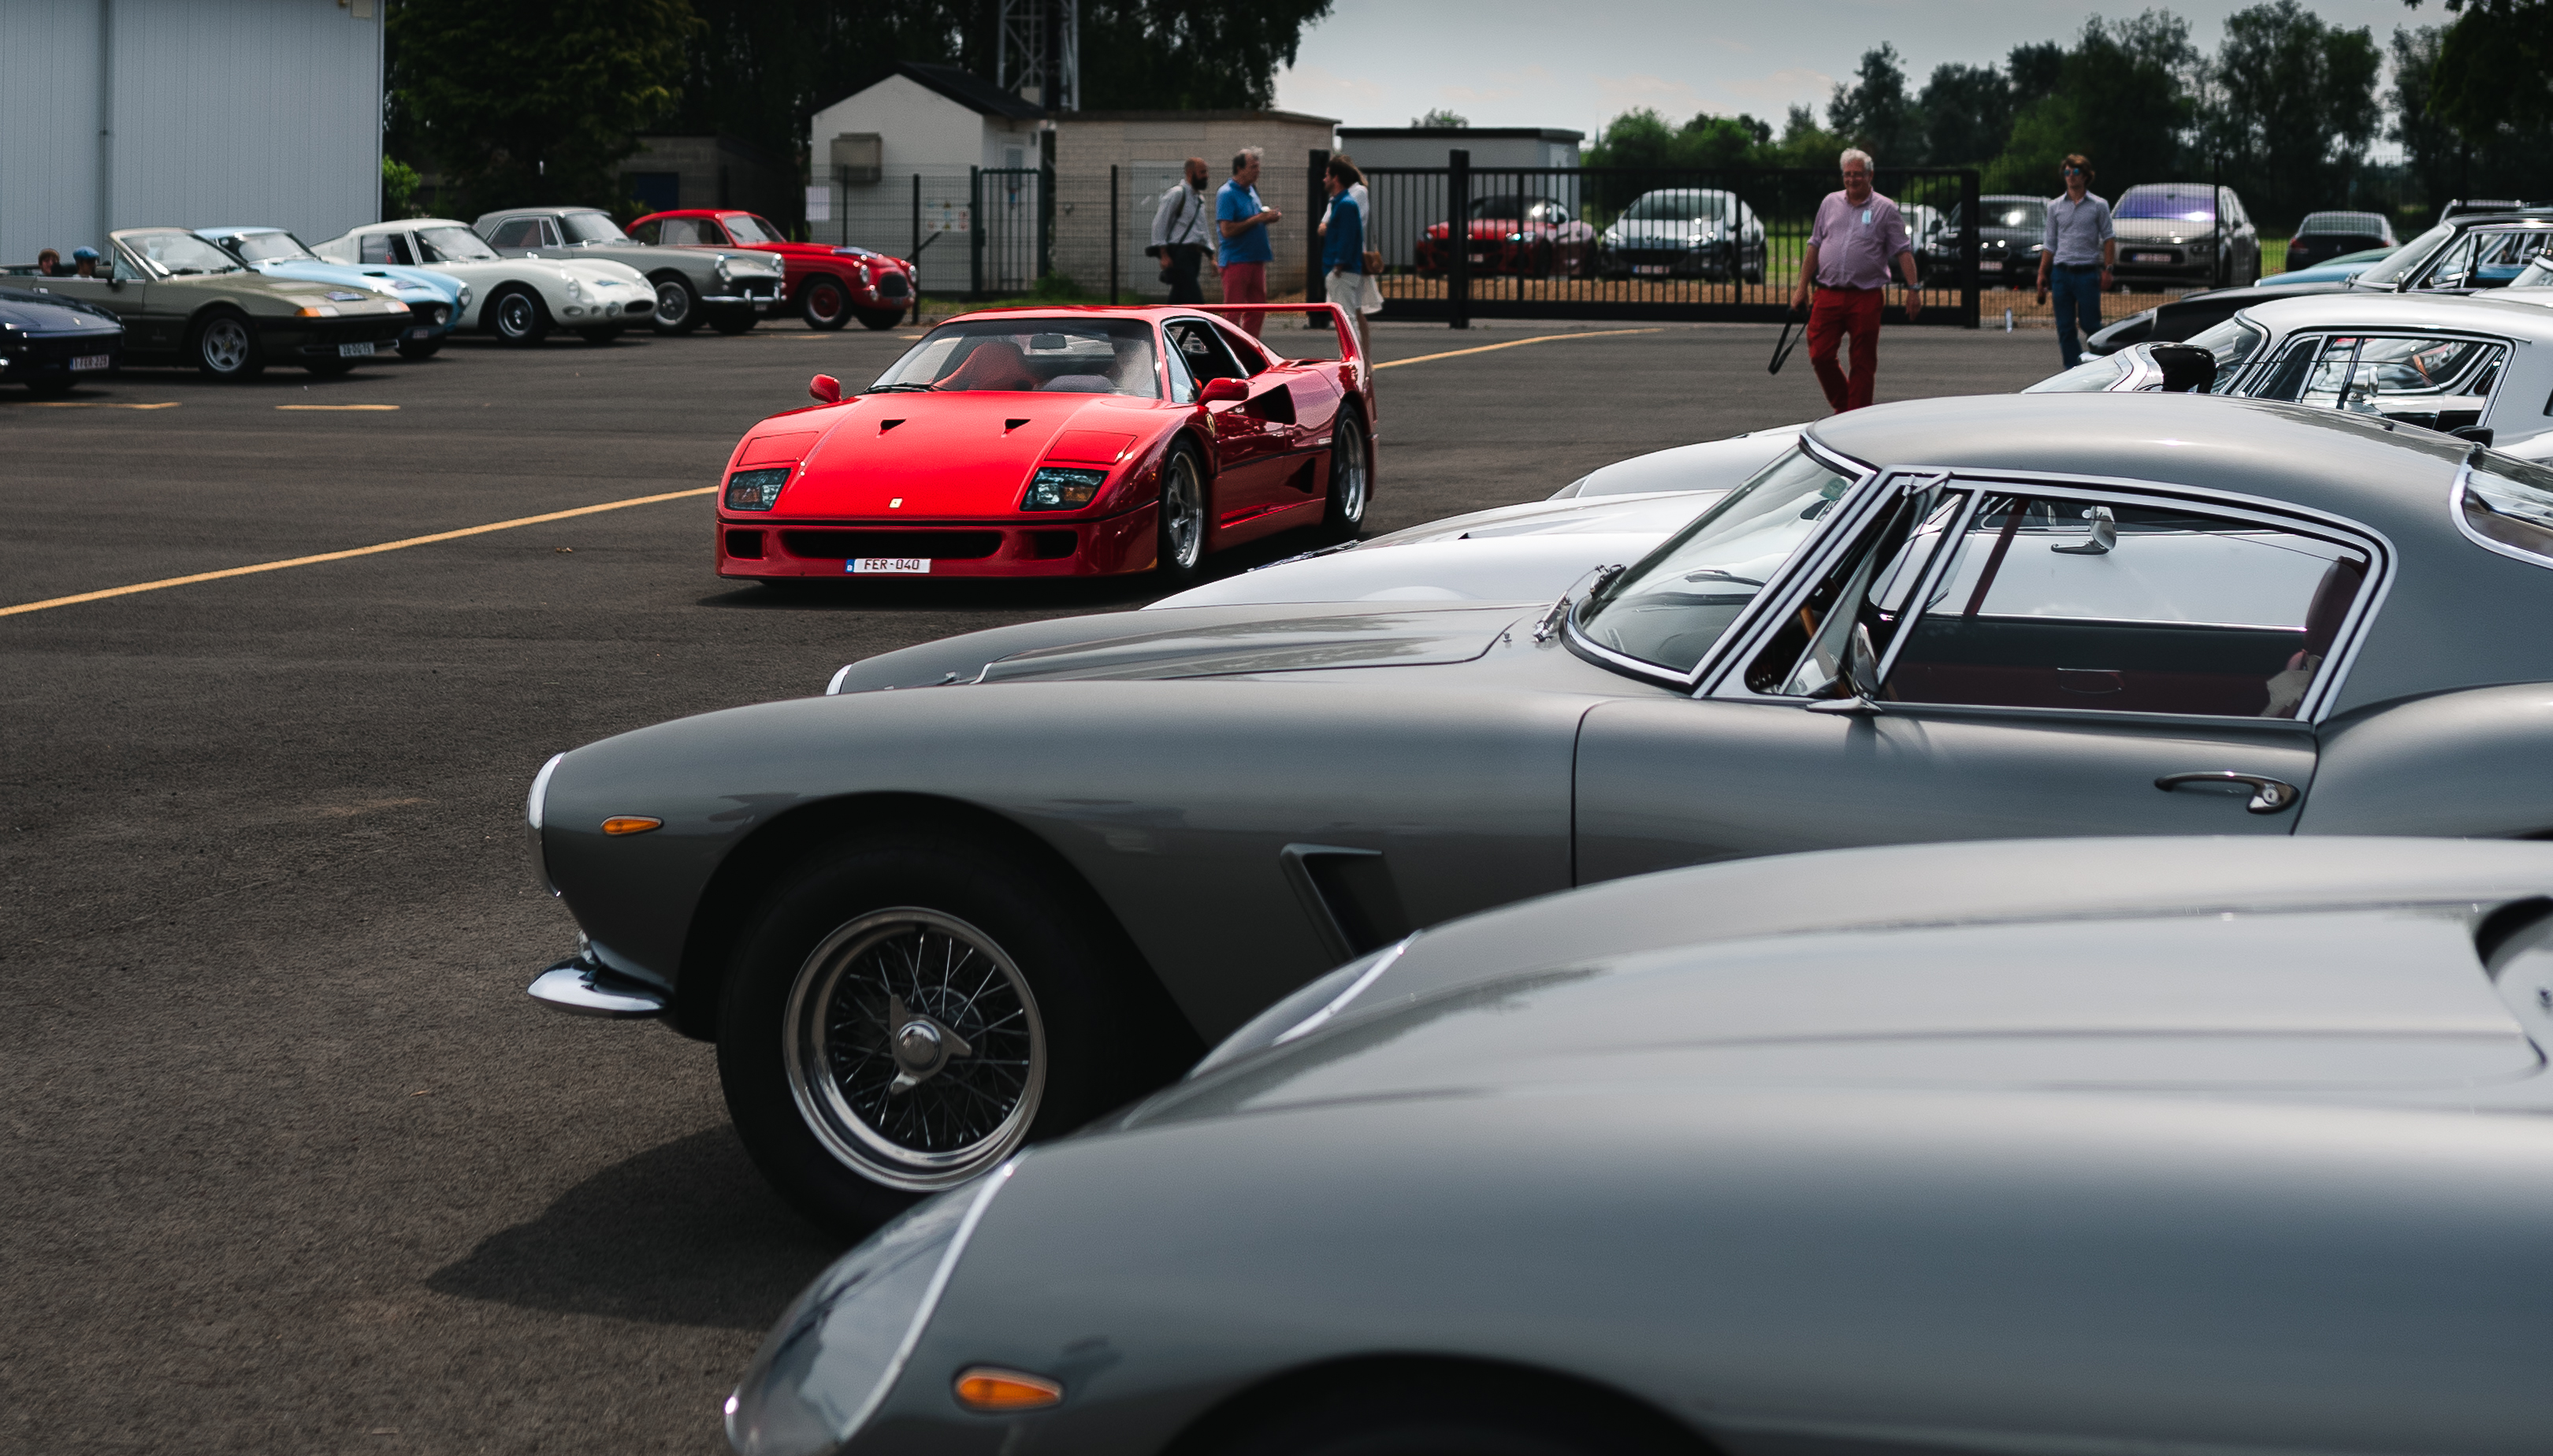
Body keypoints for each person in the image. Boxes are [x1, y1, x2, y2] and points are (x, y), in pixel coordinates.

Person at [1790, 149, 1922, 414]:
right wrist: (1801, 288)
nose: (1852, 179)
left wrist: (1913, 289)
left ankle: (1856, 416)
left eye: (1858, 174)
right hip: (1828, 293)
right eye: (1848, 174)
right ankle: (1845, 409)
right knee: (1820, 354)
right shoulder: (1830, 203)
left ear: (1870, 175)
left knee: (1863, 361)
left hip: (1865, 296)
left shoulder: (1885, 208)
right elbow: (1814, 245)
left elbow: (1903, 250)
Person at [2035, 154, 2116, 369]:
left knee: (2091, 325)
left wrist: (2108, 269)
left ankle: (2100, 367)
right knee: (2065, 328)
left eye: (2076, 172)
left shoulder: (2099, 205)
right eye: (2067, 172)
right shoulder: (2055, 207)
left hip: (2087, 273)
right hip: (2061, 273)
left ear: (2086, 176)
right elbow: (2050, 243)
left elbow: (2109, 238)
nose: (2071, 176)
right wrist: (2042, 273)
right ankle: (2073, 369)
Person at [1217, 147, 1281, 339]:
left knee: (1257, 309)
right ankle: (1227, 348)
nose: (1258, 171)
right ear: (1240, 168)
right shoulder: (1227, 193)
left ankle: (1249, 347)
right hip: (1237, 260)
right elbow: (1227, 230)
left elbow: (1253, 218)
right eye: (1253, 167)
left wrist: (1266, 218)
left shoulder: (1251, 190)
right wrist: (1258, 219)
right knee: (1233, 312)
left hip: (1256, 259)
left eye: (1258, 166)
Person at [1320, 158, 1371, 352]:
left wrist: (1338, 265)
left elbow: (1347, 238)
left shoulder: (1346, 204)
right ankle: (1353, 358)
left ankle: (1353, 360)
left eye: (1327, 175)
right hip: (1342, 269)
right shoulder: (1341, 202)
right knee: (1346, 317)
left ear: (1336, 178)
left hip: (1343, 270)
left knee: (1347, 318)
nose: (1324, 179)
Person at [1148, 157, 1213, 305]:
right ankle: (1200, 319)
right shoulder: (1177, 194)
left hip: (1194, 255)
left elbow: (1203, 228)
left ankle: (1168, 319)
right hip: (1181, 255)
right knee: (1195, 300)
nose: (1206, 176)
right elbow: (1159, 223)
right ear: (1190, 173)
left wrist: (1211, 256)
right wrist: (1163, 255)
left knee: (1179, 297)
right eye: (1202, 172)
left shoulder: (1198, 199)